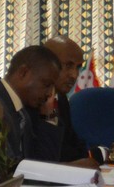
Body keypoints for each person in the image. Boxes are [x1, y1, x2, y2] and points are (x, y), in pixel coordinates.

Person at [35, 36, 105, 164]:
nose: (75, 75)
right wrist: (103, 154)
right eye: (68, 65)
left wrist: (105, 153)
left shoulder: (60, 99)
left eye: (78, 67)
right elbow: (52, 157)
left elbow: (73, 146)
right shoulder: (31, 100)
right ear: (46, 64)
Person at [0, 44, 61, 163]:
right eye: (46, 84)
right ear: (23, 73)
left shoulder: (23, 113)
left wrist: (48, 115)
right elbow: (6, 166)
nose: (50, 93)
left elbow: (41, 164)